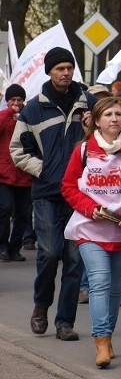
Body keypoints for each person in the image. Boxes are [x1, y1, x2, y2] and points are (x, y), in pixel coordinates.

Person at [61, 97, 121, 368]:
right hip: (90, 229)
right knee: (99, 282)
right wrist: (91, 209)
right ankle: (100, 340)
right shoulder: (83, 150)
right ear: (97, 120)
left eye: (119, 114)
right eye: (109, 114)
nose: (115, 118)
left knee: (115, 289)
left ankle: (108, 334)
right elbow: (68, 187)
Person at [10, 47, 92, 341]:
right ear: (49, 72)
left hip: (80, 194)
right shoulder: (34, 108)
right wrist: (44, 170)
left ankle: (65, 323)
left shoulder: (88, 103)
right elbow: (17, 150)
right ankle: (41, 305)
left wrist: (92, 128)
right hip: (46, 192)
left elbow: (113, 133)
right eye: (60, 68)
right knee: (49, 252)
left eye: (69, 68)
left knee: (74, 259)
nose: (66, 73)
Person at [0, 84, 32, 262]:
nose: (16, 103)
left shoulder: (28, 117)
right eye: (13, 100)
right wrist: (8, 113)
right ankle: (2, 246)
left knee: (22, 214)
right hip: (4, 173)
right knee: (4, 209)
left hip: (24, 173)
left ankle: (15, 248)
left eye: (19, 100)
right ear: (7, 101)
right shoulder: (3, 116)